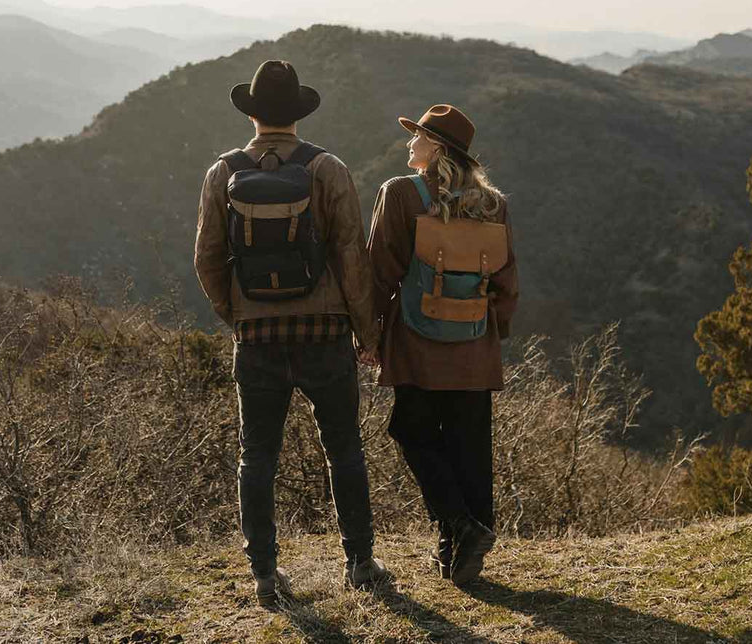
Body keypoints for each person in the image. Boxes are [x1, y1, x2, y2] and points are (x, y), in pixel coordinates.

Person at [194, 60, 389, 608]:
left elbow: (207, 257)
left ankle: (263, 574)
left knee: (256, 456)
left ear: (253, 114)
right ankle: (360, 562)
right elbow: (353, 256)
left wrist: (236, 316)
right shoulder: (328, 169)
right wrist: (365, 331)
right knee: (343, 449)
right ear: (298, 114)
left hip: (256, 337)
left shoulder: (222, 172)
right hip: (324, 332)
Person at [364, 103, 519, 585]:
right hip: (474, 343)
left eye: (417, 137)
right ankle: (460, 554)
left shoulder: (400, 194)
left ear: (435, 148)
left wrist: (368, 335)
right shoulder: (493, 204)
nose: (409, 143)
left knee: (411, 430)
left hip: (415, 339)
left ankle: (457, 526)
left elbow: (379, 270)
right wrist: (492, 332)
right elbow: (506, 281)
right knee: (468, 444)